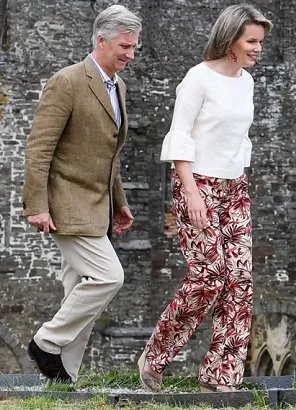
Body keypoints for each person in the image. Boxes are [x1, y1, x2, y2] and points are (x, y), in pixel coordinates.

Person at [137, 4, 272, 393]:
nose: (258, 48)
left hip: (235, 188)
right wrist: (192, 193)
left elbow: (239, 137)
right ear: (230, 39)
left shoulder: (246, 82)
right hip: (197, 185)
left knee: (241, 281)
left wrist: (238, 180)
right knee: (210, 277)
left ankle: (220, 377)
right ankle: (157, 354)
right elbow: (179, 138)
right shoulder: (197, 79)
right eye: (252, 41)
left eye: (260, 42)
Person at [22, 5, 141, 383]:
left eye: (134, 47)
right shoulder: (68, 81)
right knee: (108, 278)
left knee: (80, 293)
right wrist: (37, 206)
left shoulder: (117, 86)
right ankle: (45, 342)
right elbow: (39, 148)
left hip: (98, 206)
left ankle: (61, 379)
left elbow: (109, 154)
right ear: (100, 39)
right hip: (66, 204)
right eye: (124, 46)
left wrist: (119, 203)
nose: (130, 54)